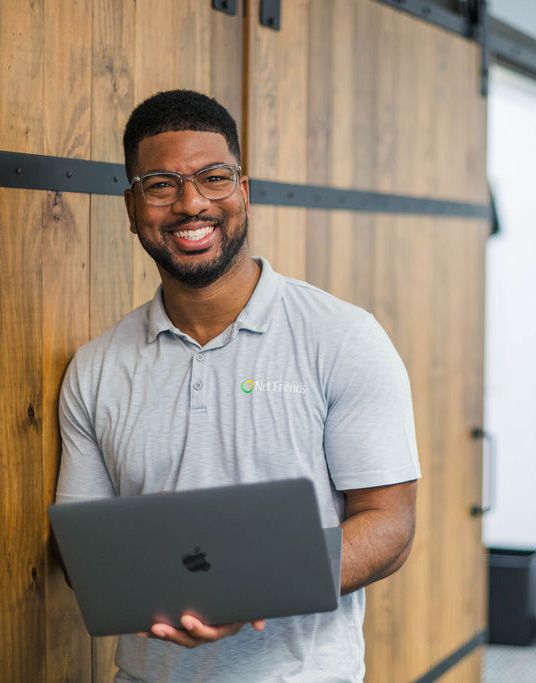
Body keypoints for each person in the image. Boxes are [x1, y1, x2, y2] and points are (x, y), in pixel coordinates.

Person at [55, 89, 421, 682]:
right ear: (131, 208)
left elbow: (390, 525)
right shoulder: (95, 368)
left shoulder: (344, 337)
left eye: (213, 177)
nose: (191, 203)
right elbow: (81, 550)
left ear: (243, 192)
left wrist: (250, 589)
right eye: (161, 185)